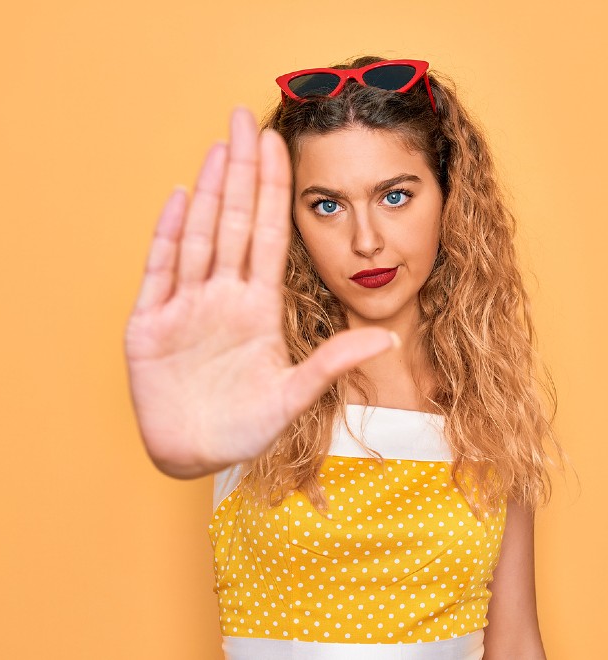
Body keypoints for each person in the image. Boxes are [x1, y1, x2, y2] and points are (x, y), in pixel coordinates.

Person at [124, 55, 570, 659]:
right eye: (327, 205)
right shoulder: (256, 384)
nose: (366, 240)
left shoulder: (490, 401)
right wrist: (195, 436)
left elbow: (515, 643)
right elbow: (206, 434)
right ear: (292, 222)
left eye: (394, 196)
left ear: (449, 194)